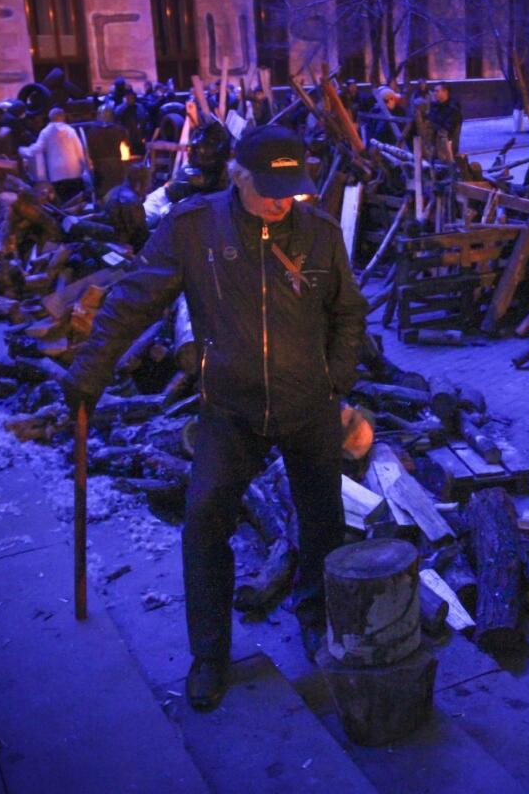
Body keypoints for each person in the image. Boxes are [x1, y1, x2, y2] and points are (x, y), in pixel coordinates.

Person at [62, 125, 368, 712]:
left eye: (293, 187)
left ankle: (315, 616)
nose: (285, 200)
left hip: (309, 404)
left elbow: (349, 312)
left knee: (323, 518)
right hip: (230, 408)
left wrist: (336, 379)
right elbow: (130, 302)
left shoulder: (320, 234)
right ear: (239, 175)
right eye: (272, 187)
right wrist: (89, 373)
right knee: (204, 518)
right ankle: (210, 652)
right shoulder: (193, 227)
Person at [20, 108, 89, 202]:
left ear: (50, 118)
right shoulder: (70, 130)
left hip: (57, 174)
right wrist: (86, 167)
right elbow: (80, 150)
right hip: (74, 172)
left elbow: (36, 149)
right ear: (63, 117)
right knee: (77, 199)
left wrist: (22, 150)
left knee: (65, 202)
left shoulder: (46, 132)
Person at [85, 104, 131, 198]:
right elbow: (126, 153)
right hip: (116, 166)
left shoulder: (90, 132)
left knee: (101, 194)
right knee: (117, 194)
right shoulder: (120, 130)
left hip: (98, 167)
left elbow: (87, 153)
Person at [426, 82, 463, 157]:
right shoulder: (435, 105)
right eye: (434, 91)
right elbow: (429, 120)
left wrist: (433, 125)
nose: (434, 93)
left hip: (447, 147)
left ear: (445, 92)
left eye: (437, 91)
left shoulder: (453, 108)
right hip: (434, 144)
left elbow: (447, 127)